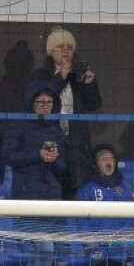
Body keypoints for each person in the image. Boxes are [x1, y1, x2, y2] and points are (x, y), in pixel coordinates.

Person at [31, 26, 101, 194]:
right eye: (60, 47)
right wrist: (60, 77)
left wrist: (89, 84)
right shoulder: (40, 76)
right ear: (50, 51)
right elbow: (41, 102)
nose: (66, 51)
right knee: (52, 187)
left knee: (75, 189)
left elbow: (93, 105)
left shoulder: (78, 76)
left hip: (76, 141)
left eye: (69, 47)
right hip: (50, 136)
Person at [74, 143, 134, 266]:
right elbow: (81, 219)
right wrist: (90, 242)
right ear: (96, 163)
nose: (109, 162)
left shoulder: (125, 188)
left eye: (112, 159)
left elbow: (133, 216)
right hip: (96, 249)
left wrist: (126, 238)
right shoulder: (87, 189)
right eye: (104, 159)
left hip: (118, 248)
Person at [2, 82, 68, 201]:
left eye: (49, 102)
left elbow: (62, 166)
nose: (45, 106)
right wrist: (38, 155)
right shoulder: (18, 124)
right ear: (32, 103)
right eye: (41, 102)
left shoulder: (56, 128)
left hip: (52, 192)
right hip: (25, 190)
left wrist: (54, 159)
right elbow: (8, 155)